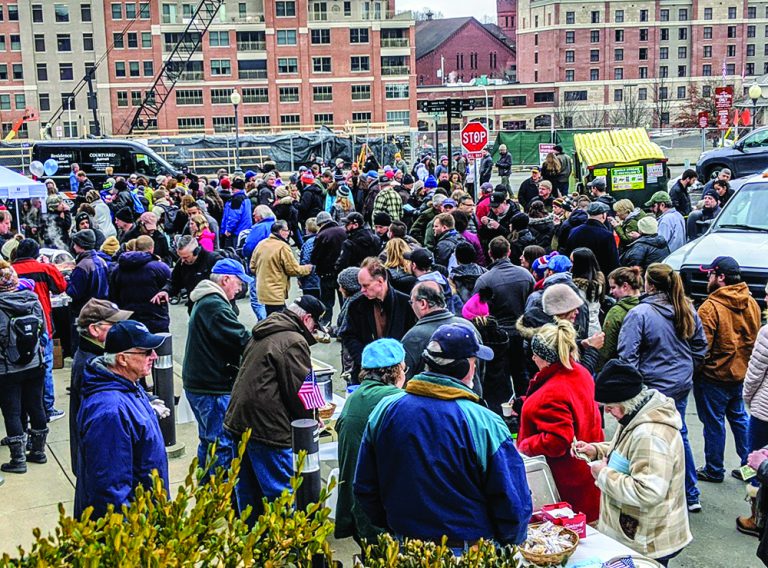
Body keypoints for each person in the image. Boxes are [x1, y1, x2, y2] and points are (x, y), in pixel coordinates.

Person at [354, 324, 532, 550]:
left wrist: (395, 527)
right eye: (474, 362)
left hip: (405, 547)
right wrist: (508, 542)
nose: (475, 368)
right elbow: (512, 502)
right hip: (468, 552)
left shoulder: (385, 409)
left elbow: (365, 486)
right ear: (465, 368)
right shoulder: (484, 422)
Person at [575, 360, 692, 566]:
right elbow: (628, 451)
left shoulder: (650, 435)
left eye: (610, 407)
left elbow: (647, 491)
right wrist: (596, 450)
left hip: (649, 540)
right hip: (641, 531)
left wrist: (602, 474)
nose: (607, 412)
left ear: (626, 401)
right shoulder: (636, 413)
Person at [224, 296, 327, 524]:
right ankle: (287, 537)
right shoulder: (293, 340)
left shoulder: (266, 329)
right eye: (314, 326)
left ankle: (251, 537)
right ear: (307, 319)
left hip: (239, 420)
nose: (314, 332)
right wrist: (313, 417)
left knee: (248, 492)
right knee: (282, 493)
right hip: (268, 427)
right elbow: (301, 388)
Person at [617, 263, 708, 512]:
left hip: (652, 388)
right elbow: (700, 346)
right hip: (679, 384)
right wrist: (687, 369)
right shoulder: (686, 308)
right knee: (678, 433)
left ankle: (648, 489)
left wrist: (634, 386)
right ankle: (689, 493)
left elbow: (627, 355)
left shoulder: (640, 313)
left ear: (649, 284)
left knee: (647, 437)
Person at [74, 320, 168, 518]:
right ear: (123, 359)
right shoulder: (110, 412)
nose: (154, 356)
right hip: (132, 526)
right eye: (146, 352)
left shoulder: (129, 385)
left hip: (145, 515)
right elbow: (110, 490)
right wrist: (129, 532)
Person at [517, 320, 603, 522]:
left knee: (572, 536)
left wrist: (524, 445)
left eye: (536, 355)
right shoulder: (579, 372)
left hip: (565, 485)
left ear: (547, 359)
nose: (533, 358)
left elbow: (558, 440)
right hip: (587, 476)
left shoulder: (552, 393)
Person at [183, 259, 252, 478]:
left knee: (208, 440)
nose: (240, 289)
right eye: (239, 283)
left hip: (201, 383)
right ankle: (220, 492)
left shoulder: (207, 300)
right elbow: (241, 338)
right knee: (221, 444)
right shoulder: (214, 305)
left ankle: (205, 488)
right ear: (226, 279)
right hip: (212, 387)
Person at [694, 256, 760, 483]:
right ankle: (751, 468)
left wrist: (699, 370)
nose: (708, 278)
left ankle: (714, 469)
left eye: (710, 274)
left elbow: (702, 347)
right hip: (741, 373)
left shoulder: (710, 307)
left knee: (714, 424)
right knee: (740, 419)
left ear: (721, 277)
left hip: (714, 377)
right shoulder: (751, 302)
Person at [335, 339, 405, 546]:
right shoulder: (398, 401)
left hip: (355, 510)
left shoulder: (354, 398)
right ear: (398, 371)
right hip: (381, 515)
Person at [69, 299, 132, 477]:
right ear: (94, 329)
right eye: (114, 324)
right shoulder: (91, 365)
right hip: (100, 461)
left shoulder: (98, 355)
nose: (121, 328)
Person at [12, 239, 67, 421]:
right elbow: (61, 287)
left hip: (14, 328)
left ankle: (24, 411)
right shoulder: (44, 269)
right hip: (42, 324)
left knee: (18, 369)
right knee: (45, 367)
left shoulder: (9, 271)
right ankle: (47, 408)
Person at [0, 261, 48, 474]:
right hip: (35, 363)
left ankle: (18, 460)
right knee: (36, 406)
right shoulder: (32, 299)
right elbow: (43, 330)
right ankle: (38, 451)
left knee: (12, 411)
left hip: (7, 368)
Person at [340, 257, 414, 381]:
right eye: (361, 286)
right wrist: (364, 360)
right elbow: (349, 335)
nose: (362, 290)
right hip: (366, 371)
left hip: (397, 371)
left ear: (380, 281)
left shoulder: (405, 304)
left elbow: (411, 339)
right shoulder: (356, 305)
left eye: (366, 285)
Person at [401, 281, 481, 380]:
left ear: (422, 303)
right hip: (471, 389)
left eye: (412, 302)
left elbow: (403, 379)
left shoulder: (413, 338)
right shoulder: (468, 327)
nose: (411, 306)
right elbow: (481, 370)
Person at [741, 282, 768, 536]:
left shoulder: (767, 332)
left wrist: (747, 398)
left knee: (755, 462)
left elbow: (754, 374)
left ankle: (756, 517)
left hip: (764, 412)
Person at [109, 236, 171, 334]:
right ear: (152, 248)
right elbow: (170, 286)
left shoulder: (118, 269)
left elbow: (113, 294)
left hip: (128, 319)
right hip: (155, 318)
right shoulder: (160, 267)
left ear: (135, 247)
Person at [250, 220, 312, 315]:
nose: (289, 233)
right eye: (287, 230)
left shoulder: (261, 244)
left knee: (271, 315)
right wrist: (308, 268)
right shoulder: (282, 247)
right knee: (280, 318)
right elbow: (293, 270)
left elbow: (252, 267)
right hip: (276, 291)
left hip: (263, 291)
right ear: (281, 231)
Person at [66, 229, 110, 341]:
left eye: (75, 243)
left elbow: (74, 292)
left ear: (81, 245)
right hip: (100, 310)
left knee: (81, 342)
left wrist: (66, 282)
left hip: (84, 311)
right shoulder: (101, 261)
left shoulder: (83, 266)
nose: (73, 246)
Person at [164, 235, 221, 313]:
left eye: (186, 257)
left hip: (216, 308)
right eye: (180, 257)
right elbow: (174, 282)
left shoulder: (214, 260)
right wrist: (165, 291)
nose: (182, 260)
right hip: (195, 308)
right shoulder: (182, 263)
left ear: (196, 252)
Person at [601, 266, 643, 364]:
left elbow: (607, 347)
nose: (611, 292)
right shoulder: (648, 308)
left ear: (625, 286)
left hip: (619, 364)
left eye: (613, 287)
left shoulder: (616, 312)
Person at [311, 211, 347, 326]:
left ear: (320, 224)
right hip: (342, 272)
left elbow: (315, 257)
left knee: (327, 303)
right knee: (344, 302)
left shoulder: (321, 235)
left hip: (326, 274)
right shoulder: (343, 231)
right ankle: (345, 325)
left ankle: (326, 325)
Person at [566, 202, 619, 278]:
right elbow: (613, 262)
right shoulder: (607, 235)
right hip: (598, 277)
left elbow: (568, 252)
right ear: (604, 215)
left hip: (576, 274)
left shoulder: (574, 231)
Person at [570, 247, 605, 336]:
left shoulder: (577, 288)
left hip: (581, 331)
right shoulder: (598, 284)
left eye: (572, 262)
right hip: (595, 328)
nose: (570, 265)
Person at [221, 178, 252, 248]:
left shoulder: (236, 200)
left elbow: (234, 217)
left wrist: (229, 229)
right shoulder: (246, 198)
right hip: (244, 230)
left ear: (233, 188)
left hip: (236, 232)